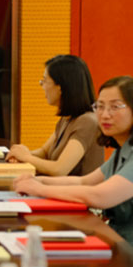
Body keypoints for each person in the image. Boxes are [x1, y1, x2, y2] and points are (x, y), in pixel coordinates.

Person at [14, 76, 133, 242]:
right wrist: (38, 180)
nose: (105, 115)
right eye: (100, 106)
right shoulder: (121, 151)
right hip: (117, 239)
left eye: (115, 107)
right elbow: (84, 182)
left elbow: (100, 196)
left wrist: (39, 189)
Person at [6, 55, 103, 176]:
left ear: (60, 87)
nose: (42, 86)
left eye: (44, 81)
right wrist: (19, 155)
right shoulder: (67, 118)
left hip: (74, 188)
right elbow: (44, 152)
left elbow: (59, 169)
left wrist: (26, 157)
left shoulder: (87, 122)